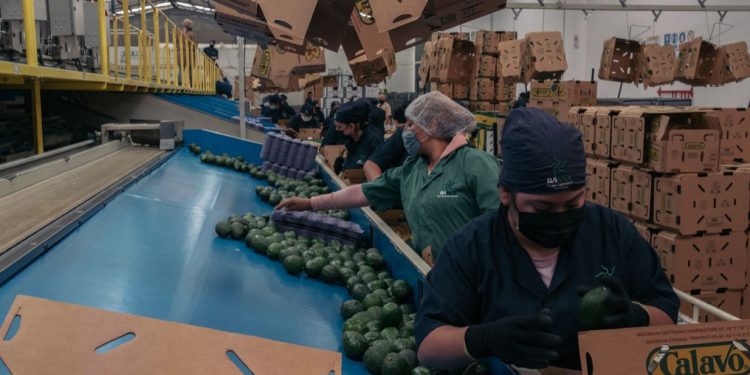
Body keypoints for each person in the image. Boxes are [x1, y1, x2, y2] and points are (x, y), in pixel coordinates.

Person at [414, 108, 679, 372]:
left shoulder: (613, 233)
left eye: (574, 202)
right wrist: (483, 339)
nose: (560, 216)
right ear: (506, 193)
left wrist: (637, 317)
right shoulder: (471, 246)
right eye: (542, 208)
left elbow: (667, 317)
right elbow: (428, 346)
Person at [278, 92, 501, 264]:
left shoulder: (474, 164)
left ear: (432, 125)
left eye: (411, 124)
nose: (405, 130)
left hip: (474, 281)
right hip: (432, 275)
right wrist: (310, 203)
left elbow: (502, 225)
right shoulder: (412, 169)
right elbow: (363, 191)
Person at [363, 104, 408, 181]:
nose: (407, 128)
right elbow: (371, 164)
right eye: (409, 124)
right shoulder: (402, 136)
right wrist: (381, 188)